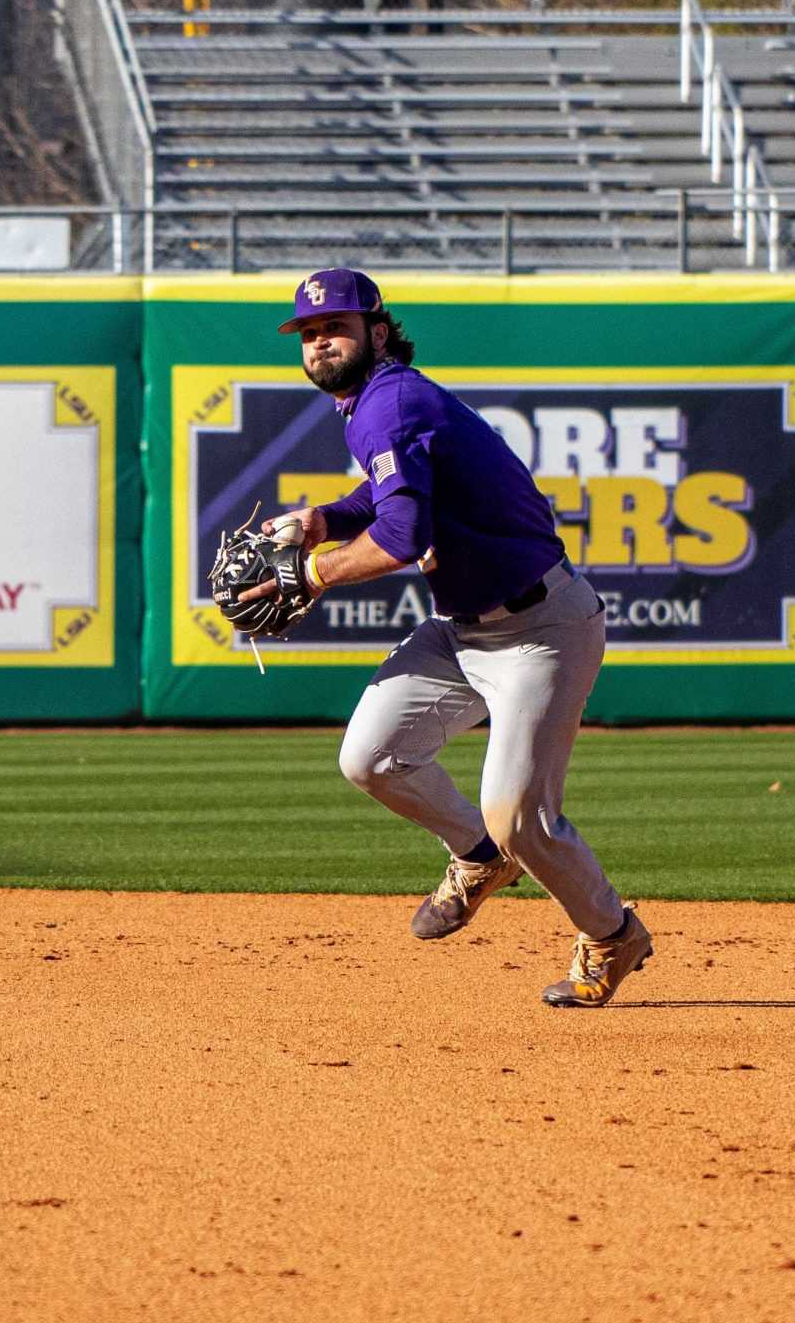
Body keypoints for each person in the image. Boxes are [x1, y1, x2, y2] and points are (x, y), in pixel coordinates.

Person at [248, 267, 652, 1008]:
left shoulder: (387, 402)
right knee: (370, 758)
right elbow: (386, 494)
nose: (319, 343)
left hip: (542, 631)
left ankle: (611, 934)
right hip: (463, 630)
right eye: (307, 334)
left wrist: (312, 573)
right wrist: (323, 521)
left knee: (523, 818)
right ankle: (477, 857)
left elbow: (403, 535)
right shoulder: (372, 402)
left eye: (334, 327)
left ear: (377, 328)